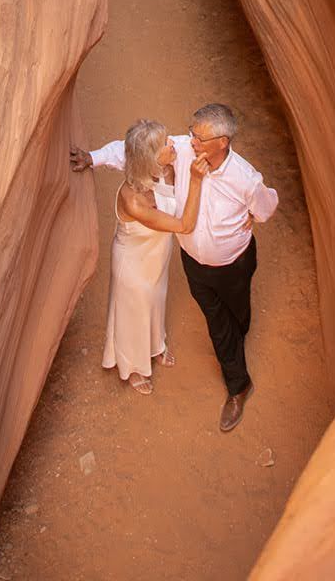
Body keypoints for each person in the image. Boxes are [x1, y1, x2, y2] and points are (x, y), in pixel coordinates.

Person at [72, 102, 278, 431]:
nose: (189, 140)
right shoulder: (181, 151)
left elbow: (266, 207)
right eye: (192, 133)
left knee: (238, 314)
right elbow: (133, 153)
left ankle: (234, 337)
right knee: (218, 323)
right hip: (192, 264)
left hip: (234, 262)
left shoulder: (245, 178)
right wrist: (93, 158)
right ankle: (238, 386)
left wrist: (251, 216)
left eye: (199, 137)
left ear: (222, 142)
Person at [102, 119, 210, 395]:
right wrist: (196, 181)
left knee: (156, 302)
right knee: (134, 312)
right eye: (165, 143)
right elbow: (184, 225)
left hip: (157, 258)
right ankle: (134, 366)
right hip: (133, 265)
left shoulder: (163, 170)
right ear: (150, 159)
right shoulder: (134, 200)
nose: (172, 143)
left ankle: (155, 345)